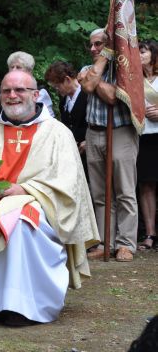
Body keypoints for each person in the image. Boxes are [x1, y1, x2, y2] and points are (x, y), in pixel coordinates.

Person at [0, 70, 98, 326]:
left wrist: (27, 189)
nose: (12, 96)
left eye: (20, 90)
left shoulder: (57, 133)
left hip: (37, 202)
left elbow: (67, 181)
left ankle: (20, 304)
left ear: (36, 95)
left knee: (18, 222)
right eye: (6, 91)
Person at [79, 28, 139, 262]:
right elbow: (86, 85)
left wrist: (97, 79)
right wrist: (96, 76)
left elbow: (113, 97)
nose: (94, 49)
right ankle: (106, 242)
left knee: (124, 190)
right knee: (100, 193)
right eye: (92, 45)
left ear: (111, 47)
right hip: (93, 133)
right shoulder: (86, 69)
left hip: (121, 132)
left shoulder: (126, 73)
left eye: (99, 45)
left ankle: (125, 244)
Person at [44, 60, 89, 181]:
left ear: (68, 79)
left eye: (57, 86)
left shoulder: (87, 95)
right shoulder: (64, 101)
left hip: (89, 152)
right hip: (72, 152)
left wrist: (88, 140)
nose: (57, 90)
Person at [0, 51, 54, 124]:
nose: (14, 70)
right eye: (12, 67)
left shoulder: (41, 93)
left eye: (18, 67)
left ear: (29, 71)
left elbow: (48, 120)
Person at [137, 40, 158, 250]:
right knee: (146, 186)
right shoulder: (134, 80)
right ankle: (150, 233)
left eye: (143, 51)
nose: (139, 55)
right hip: (143, 137)